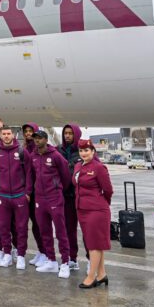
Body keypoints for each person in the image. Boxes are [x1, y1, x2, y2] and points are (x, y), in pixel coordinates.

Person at [0, 126, 32, 270]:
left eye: (8, 134)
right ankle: (7, 253)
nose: (6, 136)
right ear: (0, 136)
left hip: (20, 196)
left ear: (13, 135)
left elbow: (28, 173)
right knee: (3, 227)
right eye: (4, 134)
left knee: (21, 228)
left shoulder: (21, 151)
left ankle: (20, 256)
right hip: (2, 196)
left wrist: (27, 192)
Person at [30, 130, 72, 279]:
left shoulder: (55, 156)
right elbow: (32, 175)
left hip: (54, 198)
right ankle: (51, 261)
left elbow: (66, 176)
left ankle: (65, 262)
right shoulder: (33, 156)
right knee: (44, 231)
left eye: (40, 138)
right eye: (35, 138)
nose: (37, 141)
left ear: (46, 139)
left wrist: (57, 188)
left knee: (60, 232)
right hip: (39, 199)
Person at [74, 139, 113, 289]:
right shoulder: (78, 165)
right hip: (82, 209)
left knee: (93, 245)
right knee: (96, 244)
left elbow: (108, 190)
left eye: (87, 150)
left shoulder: (99, 167)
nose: (84, 153)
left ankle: (91, 277)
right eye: (81, 151)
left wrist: (103, 203)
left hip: (96, 210)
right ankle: (102, 274)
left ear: (93, 152)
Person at [22, 123, 47, 268]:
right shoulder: (24, 148)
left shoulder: (38, 149)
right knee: (34, 225)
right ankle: (40, 250)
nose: (28, 133)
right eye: (26, 131)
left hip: (39, 193)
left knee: (40, 224)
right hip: (28, 193)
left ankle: (45, 252)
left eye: (31, 131)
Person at [58, 123, 83, 271]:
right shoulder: (59, 150)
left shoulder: (83, 151)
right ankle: (72, 258)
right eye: (65, 133)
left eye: (70, 133)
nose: (67, 136)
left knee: (86, 232)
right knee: (69, 230)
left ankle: (90, 261)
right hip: (65, 197)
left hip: (80, 197)